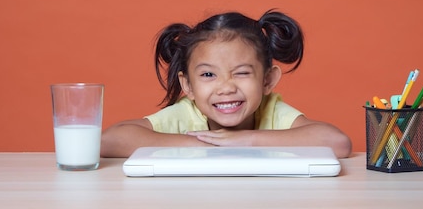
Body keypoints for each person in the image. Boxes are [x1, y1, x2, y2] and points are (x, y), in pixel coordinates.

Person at [100, 9, 352, 158]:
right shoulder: (187, 114)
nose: (226, 87)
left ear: (267, 80)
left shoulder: (271, 111)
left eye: (241, 73)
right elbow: (110, 140)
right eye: (209, 75)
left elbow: (337, 143)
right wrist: (210, 143)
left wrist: (245, 140)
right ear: (187, 86)